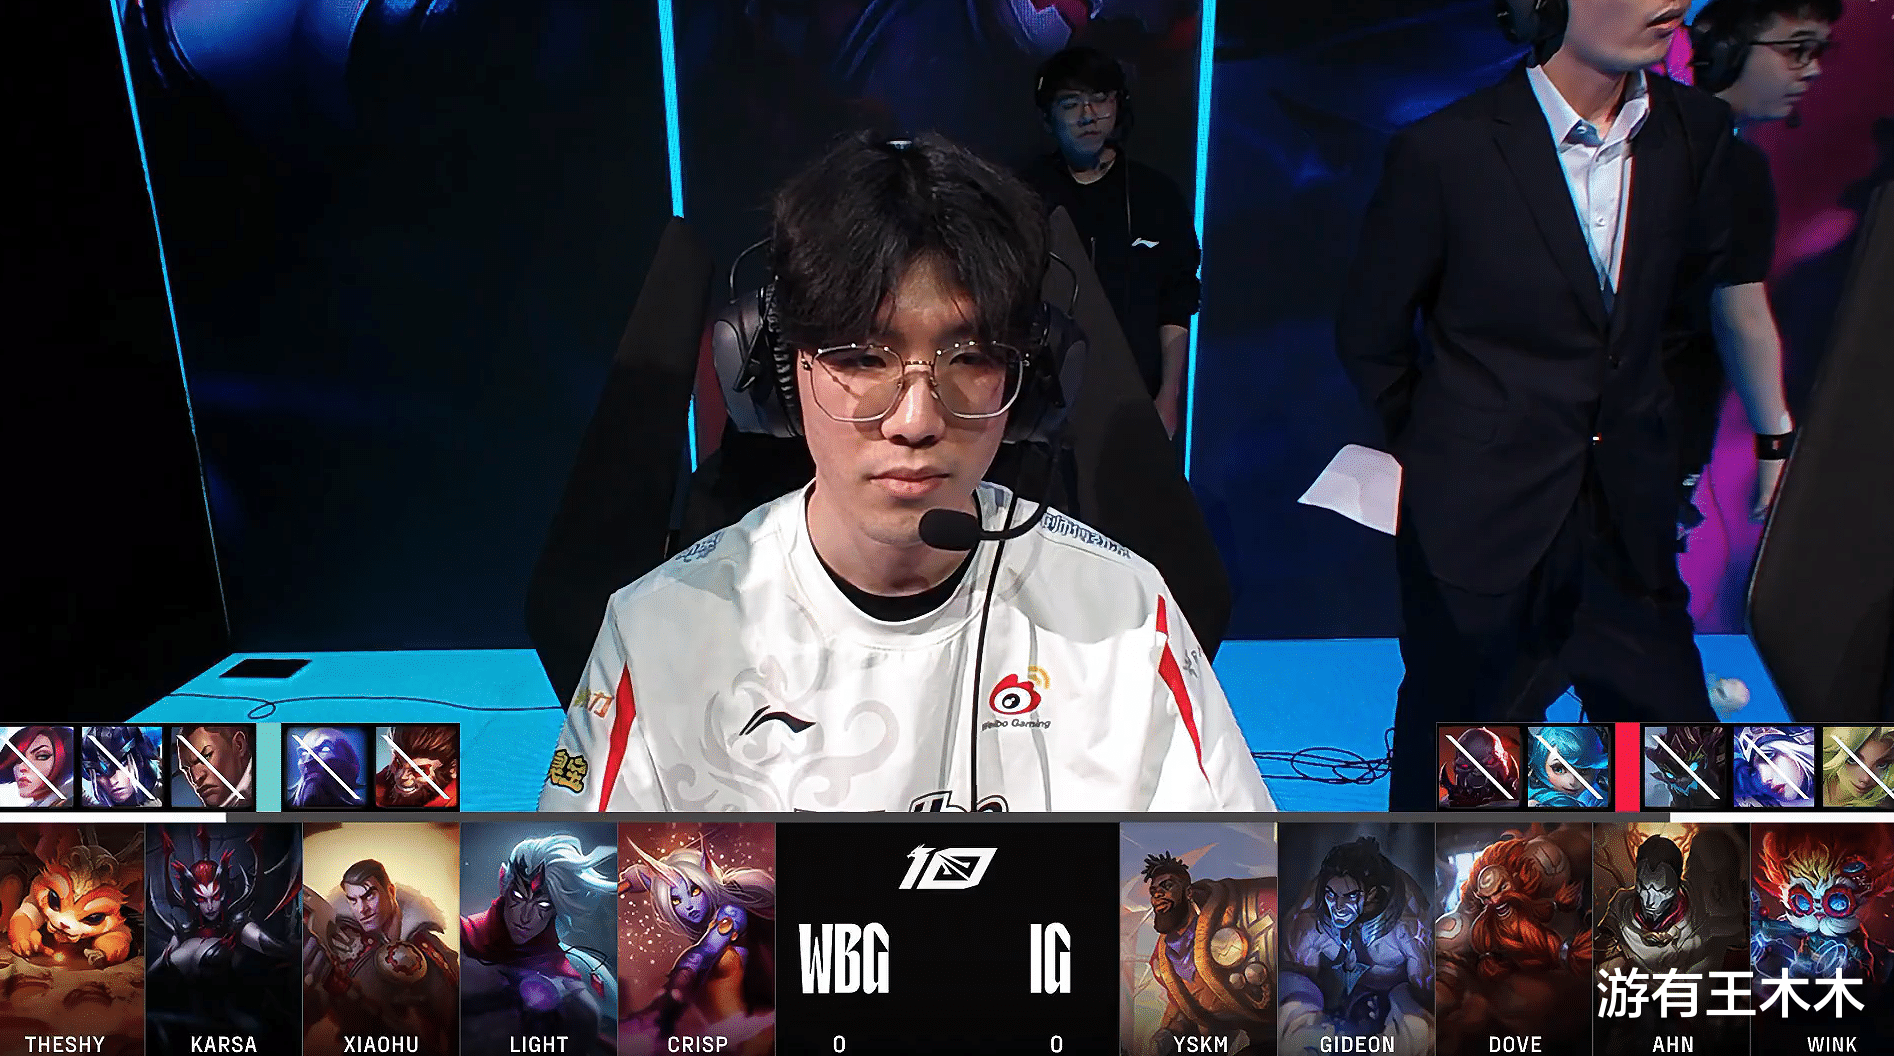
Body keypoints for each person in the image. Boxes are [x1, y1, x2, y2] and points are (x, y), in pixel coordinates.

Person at [539, 132, 1270, 813]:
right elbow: (585, 906)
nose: (916, 420)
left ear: (1030, 381)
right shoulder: (658, 635)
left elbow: (1233, 892)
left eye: (972, 357)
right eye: (862, 357)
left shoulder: (1128, 615)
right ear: (781, 370)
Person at [1337, 0, 1735, 809]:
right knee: (1461, 802)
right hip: (1481, 536)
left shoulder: (1697, 132)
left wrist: (1667, 455)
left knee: (1687, 791)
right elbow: (1370, 334)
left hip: (1627, 537)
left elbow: (1690, 321)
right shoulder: (1446, 150)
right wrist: (1453, 456)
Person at [1670, 0, 1840, 538]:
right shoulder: (1731, 166)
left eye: (1818, 52)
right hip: (1647, 443)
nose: (1813, 70)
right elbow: (1741, 312)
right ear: (1724, 49)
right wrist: (1775, 443)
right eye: (1797, 49)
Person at [1019, 46, 1200, 439]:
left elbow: (1178, 301)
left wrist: (1168, 397)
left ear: (1119, 105)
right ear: (1048, 117)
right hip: (1042, 409)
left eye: (1100, 99)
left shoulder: (1157, 196)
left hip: (1134, 403)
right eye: (1071, 104)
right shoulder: (1022, 196)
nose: (1088, 115)